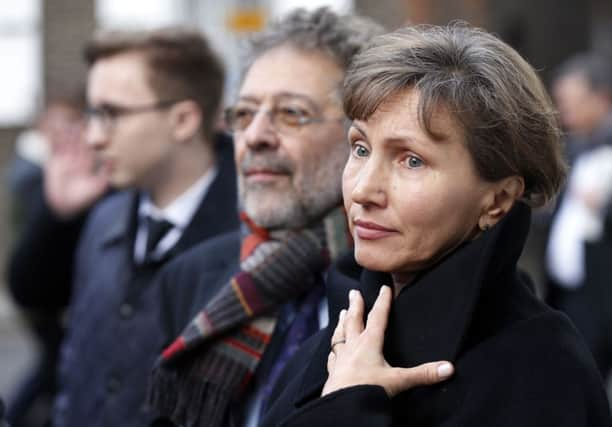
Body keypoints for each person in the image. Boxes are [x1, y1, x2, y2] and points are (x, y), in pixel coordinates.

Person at [260, 24, 612, 427]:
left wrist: (346, 409)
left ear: (497, 200)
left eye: (411, 160)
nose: (362, 190)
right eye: (360, 148)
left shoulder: (543, 373)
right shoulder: (338, 339)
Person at [146, 8, 386, 427]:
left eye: (291, 113)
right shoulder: (189, 277)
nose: (254, 135)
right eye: (243, 114)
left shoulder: (403, 284)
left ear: (361, 137)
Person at [52, 28, 239, 427]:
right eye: (91, 114)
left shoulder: (246, 241)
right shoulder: (104, 218)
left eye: (111, 114)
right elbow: (73, 364)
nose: (93, 137)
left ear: (183, 119)